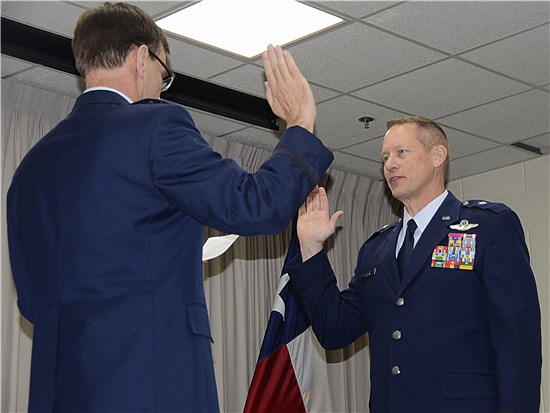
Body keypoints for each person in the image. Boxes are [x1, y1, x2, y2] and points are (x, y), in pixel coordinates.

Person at [6, 2, 333, 412]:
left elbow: (33, 305)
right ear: (142, 57)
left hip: (60, 393)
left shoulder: (28, 171)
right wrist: (300, 123)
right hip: (151, 384)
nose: (162, 87)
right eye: (164, 74)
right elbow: (255, 205)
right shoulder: (155, 126)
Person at [286, 116, 542, 412]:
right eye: (384, 158)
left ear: (437, 155)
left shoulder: (487, 227)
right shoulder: (376, 250)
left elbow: (517, 343)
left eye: (401, 153)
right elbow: (336, 330)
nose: (389, 165)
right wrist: (311, 247)